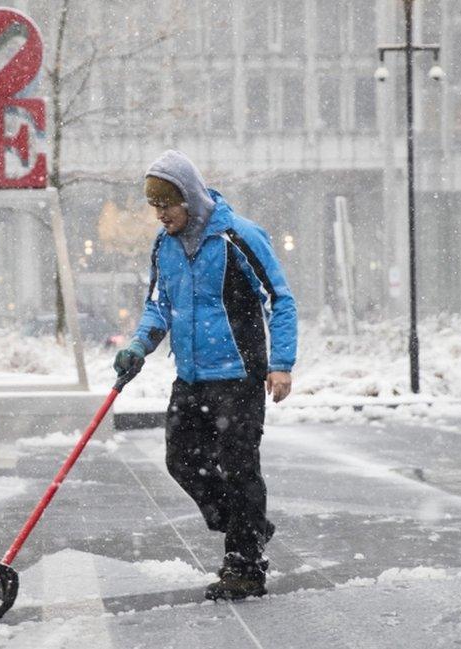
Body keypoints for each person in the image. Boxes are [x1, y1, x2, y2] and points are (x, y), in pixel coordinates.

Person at [114, 150, 297, 601]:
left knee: (239, 469)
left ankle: (246, 565)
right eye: (154, 207)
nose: (160, 216)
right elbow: (159, 304)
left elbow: (281, 299)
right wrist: (139, 344)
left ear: (189, 199)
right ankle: (246, 524)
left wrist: (281, 364)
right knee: (182, 461)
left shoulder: (239, 236)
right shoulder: (165, 246)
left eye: (166, 206)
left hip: (238, 375)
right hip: (192, 375)